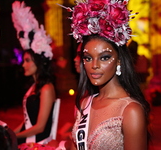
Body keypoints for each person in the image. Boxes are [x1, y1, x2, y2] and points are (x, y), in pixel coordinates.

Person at [60, 0, 150, 149]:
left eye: (104, 57)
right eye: (88, 58)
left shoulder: (131, 111)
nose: (94, 65)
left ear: (119, 61)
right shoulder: (85, 103)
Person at [11, 1, 56, 145]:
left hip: (40, 144)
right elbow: (27, 122)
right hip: (31, 141)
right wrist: (10, 132)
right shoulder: (34, 87)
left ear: (38, 62)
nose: (23, 64)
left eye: (27, 60)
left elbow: (40, 127)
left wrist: (14, 137)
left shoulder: (47, 88)